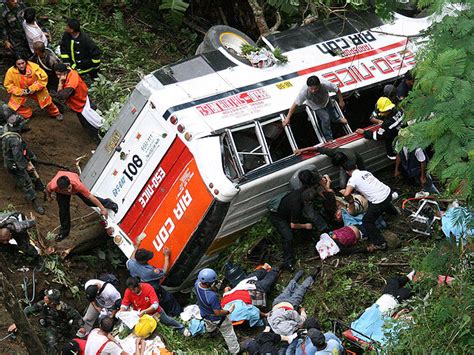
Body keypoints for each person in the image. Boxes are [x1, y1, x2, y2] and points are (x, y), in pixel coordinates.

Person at [343, 161, 399, 251]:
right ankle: (395, 213)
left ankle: (380, 243)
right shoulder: (366, 172)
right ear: (356, 166)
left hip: (379, 201)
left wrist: (350, 200)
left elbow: (346, 194)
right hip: (388, 192)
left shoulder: (352, 179)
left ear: (347, 172)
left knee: (367, 221)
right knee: (380, 203)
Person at [46, 171, 118, 241]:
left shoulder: (77, 185)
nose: (68, 191)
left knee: (88, 201)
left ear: (70, 183)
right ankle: (64, 233)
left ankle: (110, 203)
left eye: (69, 188)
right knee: (63, 210)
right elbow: (47, 189)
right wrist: (49, 197)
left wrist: (102, 209)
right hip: (61, 193)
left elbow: (90, 197)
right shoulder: (53, 186)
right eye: (65, 190)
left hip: (75, 185)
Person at [268, 187, 322, 270]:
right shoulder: (296, 206)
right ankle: (288, 262)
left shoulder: (303, 191)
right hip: (277, 216)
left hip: (286, 210)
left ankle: (315, 241)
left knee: (306, 222)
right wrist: (305, 226)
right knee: (288, 237)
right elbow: (293, 225)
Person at [1, 115, 45, 214]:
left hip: (15, 152)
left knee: (30, 160)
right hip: (12, 163)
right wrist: (27, 165)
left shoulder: (6, 128)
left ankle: (37, 183)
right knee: (25, 182)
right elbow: (17, 157)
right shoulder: (14, 140)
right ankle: (35, 202)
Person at [126, 242, 182, 317]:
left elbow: (131, 258)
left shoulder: (131, 264)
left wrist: (136, 247)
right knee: (169, 302)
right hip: (155, 291)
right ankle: (178, 315)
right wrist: (166, 256)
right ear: (142, 261)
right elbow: (164, 272)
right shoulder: (148, 272)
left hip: (144, 292)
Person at [284, 76, 346, 141]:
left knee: (332, 111)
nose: (313, 91)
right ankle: (329, 138)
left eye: (316, 88)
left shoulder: (325, 84)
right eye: (311, 89)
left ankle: (337, 119)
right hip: (316, 106)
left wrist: (341, 101)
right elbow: (295, 105)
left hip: (326, 100)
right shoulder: (304, 92)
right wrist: (288, 118)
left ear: (319, 85)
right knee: (326, 119)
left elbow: (337, 90)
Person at [23, 289, 84, 354]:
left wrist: (81, 327)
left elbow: (76, 315)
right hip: (51, 327)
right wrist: (19, 320)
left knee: (71, 346)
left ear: (52, 301)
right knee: (51, 342)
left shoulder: (63, 308)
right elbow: (30, 309)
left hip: (64, 330)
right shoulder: (43, 303)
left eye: (47, 297)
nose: (45, 297)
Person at [3, 54, 63, 120]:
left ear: (26, 62)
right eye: (18, 64)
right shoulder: (11, 71)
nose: (21, 66)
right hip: (20, 91)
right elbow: (8, 85)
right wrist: (21, 91)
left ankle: (56, 113)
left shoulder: (34, 68)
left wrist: (32, 88)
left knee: (47, 102)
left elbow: (43, 79)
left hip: (36, 90)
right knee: (13, 107)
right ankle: (28, 113)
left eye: (23, 63)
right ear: (15, 64)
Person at [194, 268, 240, 354]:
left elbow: (209, 288)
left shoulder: (197, 284)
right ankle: (236, 351)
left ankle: (211, 332)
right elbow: (217, 312)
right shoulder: (212, 296)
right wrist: (228, 311)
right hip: (216, 318)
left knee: (209, 324)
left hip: (204, 314)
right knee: (228, 333)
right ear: (208, 283)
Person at [119, 277, 187, 334]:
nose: (133, 292)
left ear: (138, 285)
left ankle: (182, 328)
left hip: (155, 312)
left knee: (167, 321)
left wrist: (145, 311)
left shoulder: (148, 288)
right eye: (131, 290)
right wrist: (121, 311)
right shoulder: (128, 291)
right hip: (141, 315)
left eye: (134, 289)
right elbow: (125, 304)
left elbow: (155, 305)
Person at [54, 63, 103, 137]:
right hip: (80, 103)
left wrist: (60, 83)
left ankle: (99, 136)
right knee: (89, 123)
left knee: (93, 123)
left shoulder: (72, 81)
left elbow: (60, 96)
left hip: (83, 104)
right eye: (57, 75)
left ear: (64, 72)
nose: (58, 77)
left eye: (59, 74)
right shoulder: (68, 74)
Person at [267, 270, 317, 336]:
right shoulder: (273, 327)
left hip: (289, 305)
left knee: (301, 290)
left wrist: (302, 313)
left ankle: (311, 276)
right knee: (288, 289)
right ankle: (299, 274)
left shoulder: (285, 329)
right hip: (277, 304)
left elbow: (292, 314)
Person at [295, 146, 366, 187]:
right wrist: (302, 150)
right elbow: (317, 149)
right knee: (342, 184)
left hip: (356, 163)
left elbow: (355, 171)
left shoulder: (351, 159)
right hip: (345, 162)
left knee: (357, 179)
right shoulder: (333, 152)